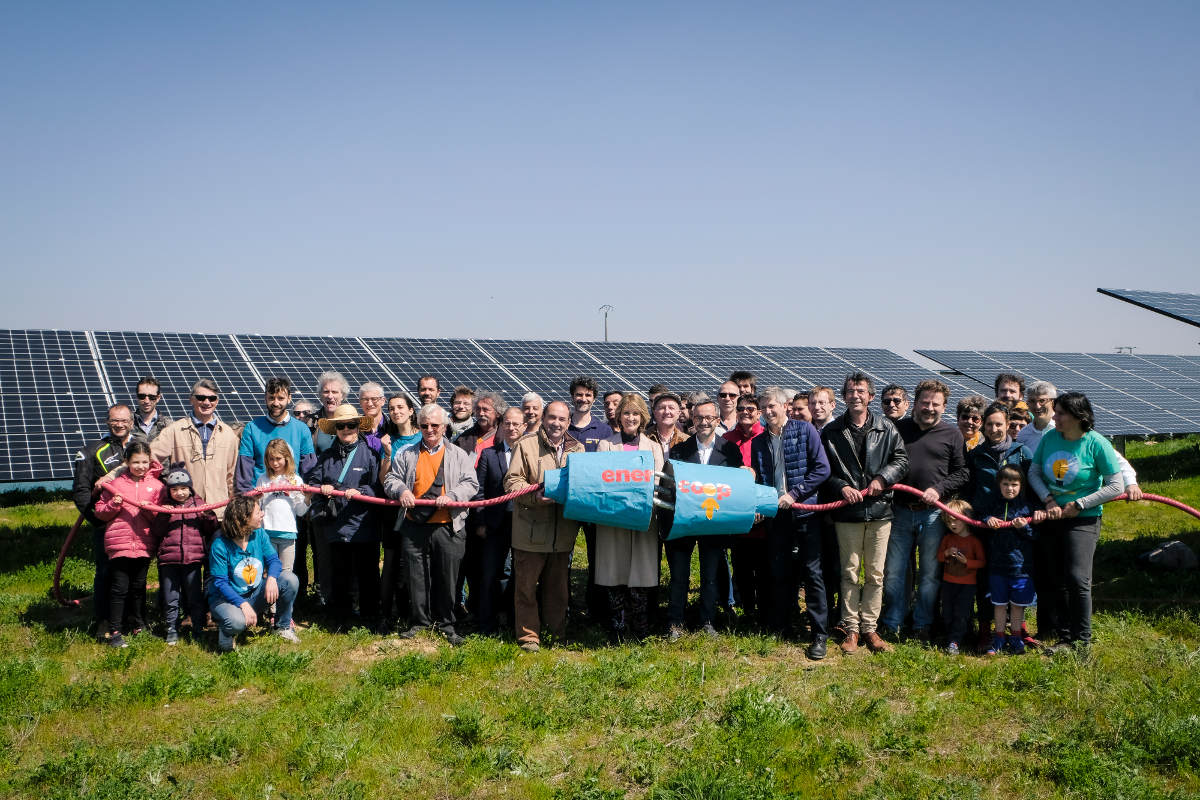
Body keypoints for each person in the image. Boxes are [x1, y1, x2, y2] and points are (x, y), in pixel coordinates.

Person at [1028, 392, 1124, 653]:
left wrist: (1080, 504)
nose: (1055, 417)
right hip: (1053, 517)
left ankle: (1082, 640)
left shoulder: (1096, 443)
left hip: (1084, 520)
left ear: (1078, 417)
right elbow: (1034, 472)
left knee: (1078, 578)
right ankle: (1065, 636)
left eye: (1060, 413)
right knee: (1057, 577)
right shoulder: (1050, 438)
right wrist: (1048, 500)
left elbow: (1116, 485)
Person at [822, 373, 909, 655]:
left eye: (860, 390)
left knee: (875, 574)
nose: (855, 395)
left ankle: (870, 628)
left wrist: (883, 479)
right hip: (848, 513)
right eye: (850, 391)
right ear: (844, 396)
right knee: (849, 573)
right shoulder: (832, 431)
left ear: (871, 396)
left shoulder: (887, 428)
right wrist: (842, 486)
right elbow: (825, 471)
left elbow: (901, 459)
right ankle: (851, 629)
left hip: (879, 511)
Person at [384, 404, 480, 646]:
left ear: (444, 427)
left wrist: (454, 496)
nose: (429, 429)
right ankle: (419, 623)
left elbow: (471, 483)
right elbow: (391, 479)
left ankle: (447, 624)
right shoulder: (406, 454)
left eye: (435, 425)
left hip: (449, 526)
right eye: (425, 425)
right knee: (416, 576)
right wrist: (401, 490)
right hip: (414, 526)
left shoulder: (459, 454)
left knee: (448, 578)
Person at [880, 380, 968, 643]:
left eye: (935, 404)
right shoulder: (897, 429)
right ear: (915, 403)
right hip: (899, 511)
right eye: (925, 402)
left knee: (930, 574)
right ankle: (893, 622)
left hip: (932, 515)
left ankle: (922, 624)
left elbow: (963, 472)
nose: (929, 408)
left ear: (944, 407)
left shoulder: (952, 434)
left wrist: (939, 489)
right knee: (894, 572)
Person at [747, 387, 831, 657]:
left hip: (805, 513)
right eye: (764, 408)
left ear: (785, 406)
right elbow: (761, 478)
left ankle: (819, 633)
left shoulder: (805, 430)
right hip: (777, 516)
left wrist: (794, 495)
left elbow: (822, 469)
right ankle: (782, 626)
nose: (767, 412)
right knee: (779, 572)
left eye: (772, 406)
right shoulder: (760, 441)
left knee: (813, 574)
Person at [503, 401, 583, 651]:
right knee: (526, 588)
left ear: (568, 422)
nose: (556, 423)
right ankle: (529, 637)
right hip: (531, 530)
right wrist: (534, 497)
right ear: (544, 418)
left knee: (558, 589)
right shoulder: (526, 445)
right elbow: (512, 481)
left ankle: (556, 633)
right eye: (552, 418)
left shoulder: (577, 449)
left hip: (563, 534)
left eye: (562, 419)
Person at [666, 399, 744, 640]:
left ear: (717, 420)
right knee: (679, 575)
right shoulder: (680, 449)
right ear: (693, 420)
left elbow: (736, 485)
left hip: (713, 521)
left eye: (709, 418)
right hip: (685, 522)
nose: (704, 422)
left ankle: (707, 621)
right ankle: (675, 622)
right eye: (699, 418)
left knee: (710, 575)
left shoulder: (730, 451)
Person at [306, 404, 382, 632]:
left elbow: (379, 486)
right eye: (341, 426)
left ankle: (370, 617)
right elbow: (312, 484)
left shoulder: (370, 454)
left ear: (359, 426)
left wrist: (363, 492)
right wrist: (323, 488)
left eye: (351, 425)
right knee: (339, 574)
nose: (347, 429)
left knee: (368, 574)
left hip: (363, 526)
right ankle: (341, 619)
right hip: (336, 526)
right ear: (335, 429)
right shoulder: (327, 456)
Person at [964, 401, 1034, 650]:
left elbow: (1032, 488)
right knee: (986, 581)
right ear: (983, 425)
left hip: (1016, 527)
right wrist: (981, 518)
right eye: (990, 424)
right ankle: (987, 630)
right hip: (985, 526)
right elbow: (970, 491)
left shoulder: (1022, 452)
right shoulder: (975, 455)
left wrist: (1027, 518)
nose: (994, 429)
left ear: (1007, 425)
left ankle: (1018, 629)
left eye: (999, 424)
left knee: (1017, 575)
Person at [596, 394, 663, 641]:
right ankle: (617, 629)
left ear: (643, 417)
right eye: (626, 413)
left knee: (640, 575)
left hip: (643, 518)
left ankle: (640, 630)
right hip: (614, 518)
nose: (631, 418)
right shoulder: (606, 445)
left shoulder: (654, 447)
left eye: (635, 413)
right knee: (615, 572)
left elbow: (657, 482)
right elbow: (602, 479)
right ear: (619, 416)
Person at [73, 403, 139, 640]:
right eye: (114, 420)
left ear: (132, 422)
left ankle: (134, 618)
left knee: (136, 573)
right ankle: (103, 621)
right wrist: (98, 520)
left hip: (137, 526)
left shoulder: (141, 448)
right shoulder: (92, 451)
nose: (119, 425)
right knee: (106, 573)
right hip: (107, 526)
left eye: (123, 420)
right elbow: (81, 492)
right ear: (107, 422)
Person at [93, 441, 164, 647]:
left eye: (145, 462)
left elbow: (160, 517)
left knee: (138, 587)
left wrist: (149, 509)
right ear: (126, 462)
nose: (141, 466)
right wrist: (113, 505)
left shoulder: (157, 487)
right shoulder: (115, 485)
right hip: (119, 543)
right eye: (136, 462)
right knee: (119, 588)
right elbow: (100, 512)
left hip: (143, 543)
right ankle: (115, 631)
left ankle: (138, 625)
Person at [207, 494, 300, 652]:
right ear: (244, 518)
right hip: (226, 599)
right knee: (236, 622)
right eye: (258, 512)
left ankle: (282, 627)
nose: (262, 514)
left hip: (254, 594)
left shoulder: (260, 534)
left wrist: (271, 578)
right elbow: (220, 583)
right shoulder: (220, 545)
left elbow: (274, 561)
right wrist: (242, 604)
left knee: (289, 580)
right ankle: (226, 631)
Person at [151, 378, 239, 520]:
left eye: (212, 398)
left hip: (219, 514)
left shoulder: (228, 434)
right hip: (186, 513)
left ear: (217, 401)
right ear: (191, 400)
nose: (206, 402)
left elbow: (232, 476)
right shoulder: (175, 430)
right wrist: (112, 478)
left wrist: (235, 508)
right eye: (201, 397)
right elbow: (145, 459)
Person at [982, 466, 1045, 655]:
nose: (1010, 488)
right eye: (1006, 484)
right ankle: (999, 637)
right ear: (999, 485)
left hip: (1021, 569)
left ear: (1021, 486)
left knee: (1018, 607)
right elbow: (980, 515)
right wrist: (988, 519)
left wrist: (1024, 528)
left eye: (1014, 484)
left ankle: (1016, 636)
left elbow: (1036, 536)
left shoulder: (1028, 507)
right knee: (999, 605)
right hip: (997, 566)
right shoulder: (993, 505)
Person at [474, 407, 526, 636]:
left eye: (516, 424)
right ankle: (486, 623)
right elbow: (479, 492)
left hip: (523, 522)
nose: (512, 428)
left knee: (518, 574)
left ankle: (515, 621)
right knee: (490, 573)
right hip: (495, 524)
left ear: (524, 427)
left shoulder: (530, 454)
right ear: (501, 426)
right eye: (508, 424)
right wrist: (481, 522)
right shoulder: (488, 454)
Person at [153, 463, 217, 645]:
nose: (179, 493)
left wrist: (208, 516)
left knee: (194, 596)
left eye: (183, 488)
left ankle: (198, 627)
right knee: (170, 596)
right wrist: (164, 515)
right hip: (169, 560)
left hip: (193, 560)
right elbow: (157, 531)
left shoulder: (199, 504)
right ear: (169, 491)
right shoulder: (165, 507)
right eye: (174, 489)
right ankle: (171, 628)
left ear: (190, 488)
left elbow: (210, 530)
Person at [236, 376, 317, 493]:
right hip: (260, 499)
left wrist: (306, 499)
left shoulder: (301, 429)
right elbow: (244, 470)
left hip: (292, 499)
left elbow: (309, 469)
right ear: (265, 398)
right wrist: (248, 501)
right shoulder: (252, 428)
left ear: (289, 398)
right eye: (271, 398)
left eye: (280, 398)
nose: (276, 403)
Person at [936, 499, 985, 655]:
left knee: (961, 612)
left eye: (956, 520)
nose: (952, 525)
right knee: (948, 611)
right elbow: (939, 557)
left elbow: (982, 562)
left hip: (967, 584)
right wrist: (946, 553)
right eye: (949, 521)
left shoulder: (974, 541)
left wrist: (967, 562)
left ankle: (955, 640)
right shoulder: (948, 539)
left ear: (966, 518)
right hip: (948, 582)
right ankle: (953, 636)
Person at [256, 438, 310, 581]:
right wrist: (256, 497)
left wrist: (308, 498)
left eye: (278, 458)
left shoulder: (296, 480)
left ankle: (285, 603)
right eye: (271, 459)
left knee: (286, 574)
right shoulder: (263, 479)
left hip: (288, 534)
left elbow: (300, 511)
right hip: (267, 534)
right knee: (268, 573)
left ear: (287, 458)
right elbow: (258, 508)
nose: (274, 463)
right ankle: (270, 604)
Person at [290, 398, 319, 601]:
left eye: (306, 413)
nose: (301, 417)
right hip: (294, 501)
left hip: (316, 500)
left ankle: (319, 591)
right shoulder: (291, 435)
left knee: (318, 550)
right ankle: (299, 594)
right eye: (297, 414)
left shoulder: (320, 437)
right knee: (297, 549)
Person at [456, 391, 505, 462]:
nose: (481, 413)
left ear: (497, 413)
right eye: (478, 409)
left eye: (485, 410)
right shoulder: (465, 438)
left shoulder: (507, 437)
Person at [314, 371, 352, 456]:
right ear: (320, 395)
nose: (330, 396)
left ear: (342, 396)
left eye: (334, 392)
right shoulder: (311, 422)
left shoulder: (353, 422)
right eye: (326, 391)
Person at [133, 376, 170, 440]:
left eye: (152, 397)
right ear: (137, 397)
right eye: (142, 396)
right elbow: (111, 445)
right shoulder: (126, 424)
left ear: (158, 398)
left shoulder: (169, 426)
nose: (146, 401)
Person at [358, 382, 388, 454]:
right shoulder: (353, 430)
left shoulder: (392, 429)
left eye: (374, 399)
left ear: (383, 401)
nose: (370, 404)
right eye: (365, 399)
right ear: (360, 402)